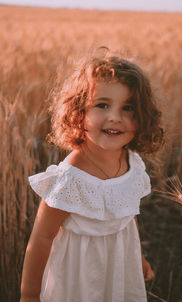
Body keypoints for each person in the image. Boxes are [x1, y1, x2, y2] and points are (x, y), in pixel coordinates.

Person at [20, 51, 164, 302]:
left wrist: (137, 256)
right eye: (102, 105)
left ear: (142, 117)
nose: (115, 117)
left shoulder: (133, 165)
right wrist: (30, 296)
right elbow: (41, 238)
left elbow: (127, 214)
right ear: (79, 113)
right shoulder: (69, 179)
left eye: (128, 108)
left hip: (119, 267)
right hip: (78, 277)